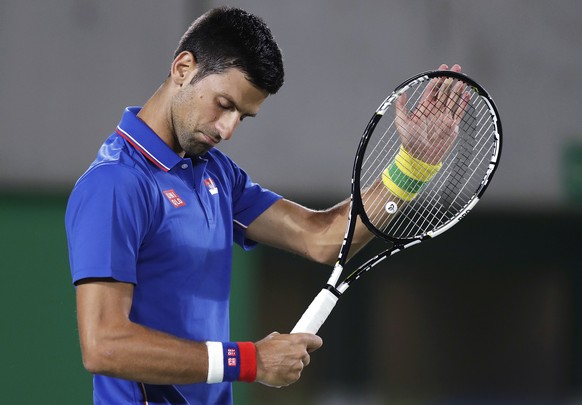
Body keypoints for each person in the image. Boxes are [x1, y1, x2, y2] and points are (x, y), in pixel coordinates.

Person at [65, 6, 464, 405]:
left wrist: (414, 163)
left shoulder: (215, 172)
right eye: (223, 104)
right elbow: (105, 345)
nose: (228, 129)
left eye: (243, 116)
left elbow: (322, 238)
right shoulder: (115, 184)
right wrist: (250, 360)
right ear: (183, 68)